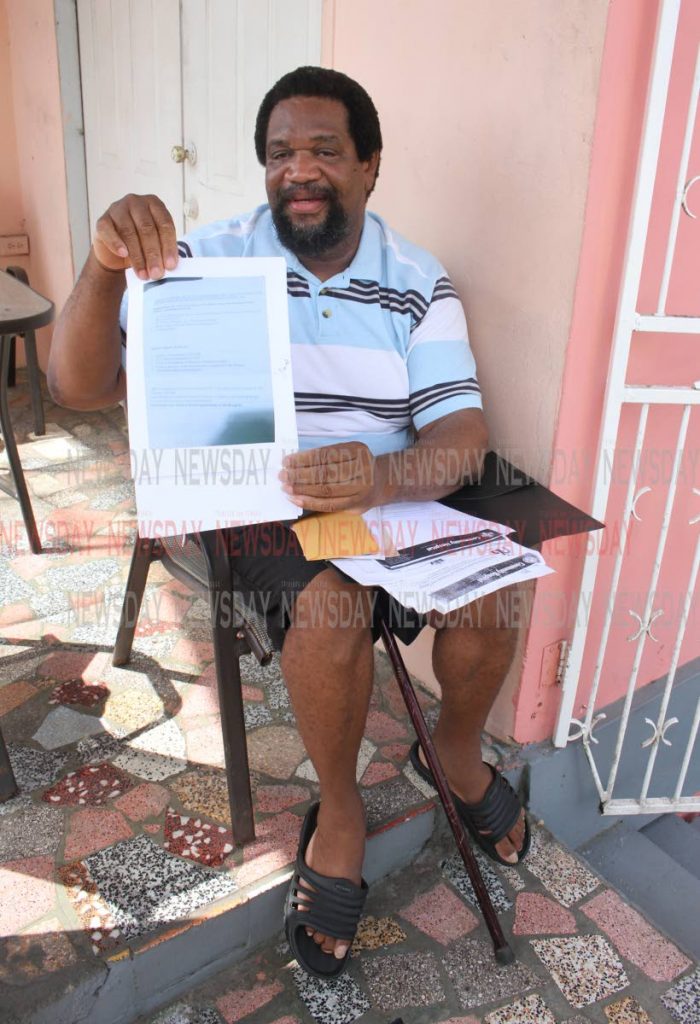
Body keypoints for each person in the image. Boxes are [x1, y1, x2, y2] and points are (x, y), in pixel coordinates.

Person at [49, 66, 529, 979]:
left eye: (323, 151)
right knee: (334, 613)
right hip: (263, 503)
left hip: (388, 497)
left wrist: (382, 475)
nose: (298, 171)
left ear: (370, 166)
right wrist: (102, 267)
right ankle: (340, 811)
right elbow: (77, 387)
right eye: (279, 154)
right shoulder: (203, 262)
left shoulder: (418, 279)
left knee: (491, 593)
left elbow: (463, 434)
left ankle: (457, 754)